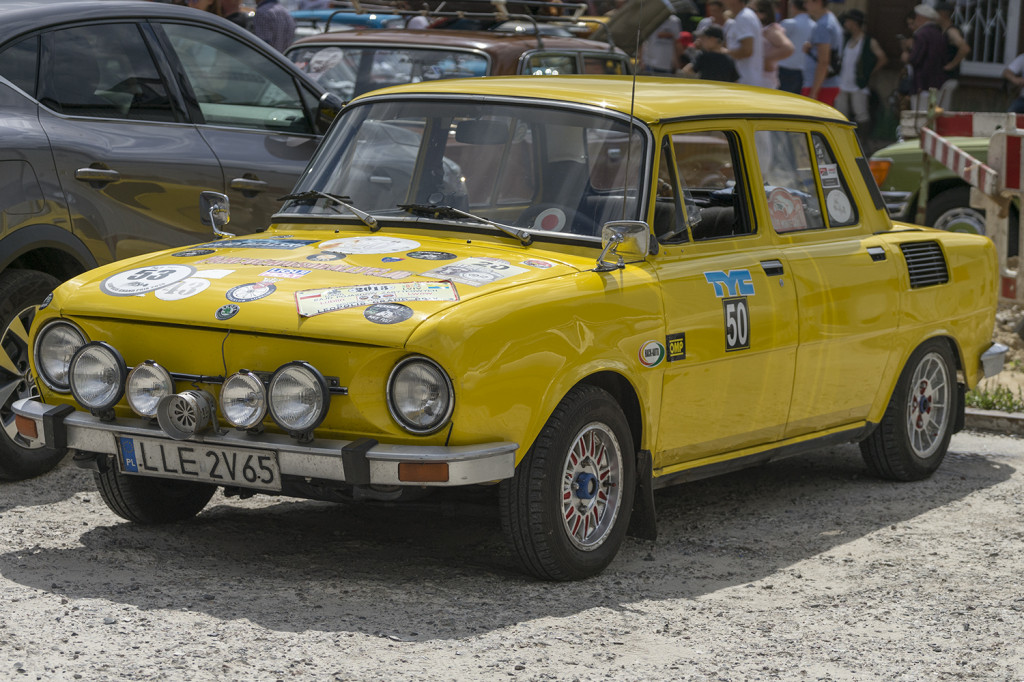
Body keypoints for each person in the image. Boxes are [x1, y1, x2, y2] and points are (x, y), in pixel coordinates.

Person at [834, 9, 886, 142]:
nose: (845, 23)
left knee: (861, 113)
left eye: (848, 21)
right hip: (842, 82)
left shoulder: (868, 41)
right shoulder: (847, 39)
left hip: (858, 84)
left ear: (854, 23)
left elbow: (882, 58)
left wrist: (869, 73)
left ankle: (863, 141)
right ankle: (843, 140)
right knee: (841, 113)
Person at [901, 4, 946, 111]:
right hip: (936, 83)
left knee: (920, 112)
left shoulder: (921, 34)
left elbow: (915, 59)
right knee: (932, 113)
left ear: (921, 18)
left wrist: (907, 56)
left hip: (921, 83)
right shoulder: (939, 33)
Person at [801, 0, 842, 105]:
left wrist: (814, 92)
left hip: (819, 87)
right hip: (826, 84)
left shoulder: (823, 25)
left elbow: (824, 61)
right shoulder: (829, 20)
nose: (804, 4)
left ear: (818, 2)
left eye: (807, 1)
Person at [934, 0, 971, 110]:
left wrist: (952, 64)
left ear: (943, 14)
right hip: (942, 78)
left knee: (943, 109)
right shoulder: (941, 30)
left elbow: (965, 48)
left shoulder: (951, 31)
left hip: (949, 77)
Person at [722, 0, 766, 87]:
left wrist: (722, 52)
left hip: (744, 81)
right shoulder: (744, 16)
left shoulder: (744, 18)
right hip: (745, 80)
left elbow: (747, 51)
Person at [754, 0, 793, 89]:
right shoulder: (761, 29)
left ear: (762, 13)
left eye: (753, 10)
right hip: (758, 79)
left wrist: (764, 60)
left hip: (764, 81)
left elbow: (788, 48)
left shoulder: (770, 30)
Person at [777, 0, 812, 93]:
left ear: (793, 6)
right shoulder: (814, 25)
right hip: (802, 71)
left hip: (784, 69)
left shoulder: (789, 23)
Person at [640, 6, 682, 75]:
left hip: (667, 66)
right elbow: (642, 41)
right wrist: (641, 61)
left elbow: (677, 44)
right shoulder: (650, 18)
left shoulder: (675, 21)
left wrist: (676, 65)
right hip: (649, 65)